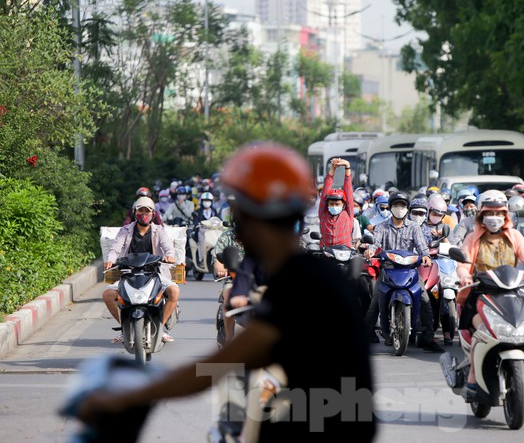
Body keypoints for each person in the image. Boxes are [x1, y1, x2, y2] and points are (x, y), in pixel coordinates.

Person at [79, 143, 376, 443]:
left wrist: (137, 395)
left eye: (241, 213)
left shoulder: (301, 283)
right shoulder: (308, 274)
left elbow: (225, 362)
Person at [455, 190, 524, 400]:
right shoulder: (472, 238)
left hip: (513, 292)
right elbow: (463, 263)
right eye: (490, 212)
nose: (495, 217)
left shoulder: (515, 236)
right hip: (481, 293)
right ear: (481, 214)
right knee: (481, 331)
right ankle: (472, 376)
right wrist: (465, 276)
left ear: (506, 214)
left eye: (499, 213)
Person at [363, 191, 443, 353]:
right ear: (390, 207)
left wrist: (426, 256)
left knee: (425, 301)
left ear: (407, 209)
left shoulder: (413, 227)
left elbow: (421, 246)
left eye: (402, 206)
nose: (399, 208)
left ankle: (428, 338)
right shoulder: (382, 227)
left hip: (409, 270)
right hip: (388, 270)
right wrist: (370, 251)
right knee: (374, 304)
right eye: (396, 205)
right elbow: (375, 243)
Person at [102, 197, 180, 343]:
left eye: (147, 211)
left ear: (152, 214)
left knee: (174, 292)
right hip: (128, 274)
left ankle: (160, 328)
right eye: (140, 210)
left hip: (155, 273)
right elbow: (115, 248)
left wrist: (170, 256)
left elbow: (168, 248)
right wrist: (110, 260)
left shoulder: (159, 231)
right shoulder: (125, 231)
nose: (144, 214)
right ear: (134, 212)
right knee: (107, 295)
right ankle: (125, 328)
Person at [318, 158, 354, 248]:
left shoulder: (347, 214)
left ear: (343, 205)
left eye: (337, 204)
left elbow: (348, 189)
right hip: (326, 253)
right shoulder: (323, 214)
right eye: (331, 204)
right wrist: (332, 168)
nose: (334, 206)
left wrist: (347, 166)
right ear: (327, 204)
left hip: (345, 254)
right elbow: (326, 189)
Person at [191, 191, 221, 264]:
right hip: (202, 231)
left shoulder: (214, 211)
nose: (206, 202)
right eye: (205, 201)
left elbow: (218, 220)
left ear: (211, 202)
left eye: (208, 201)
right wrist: (197, 224)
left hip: (213, 231)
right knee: (201, 241)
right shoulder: (198, 211)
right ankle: (201, 259)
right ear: (202, 201)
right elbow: (195, 220)